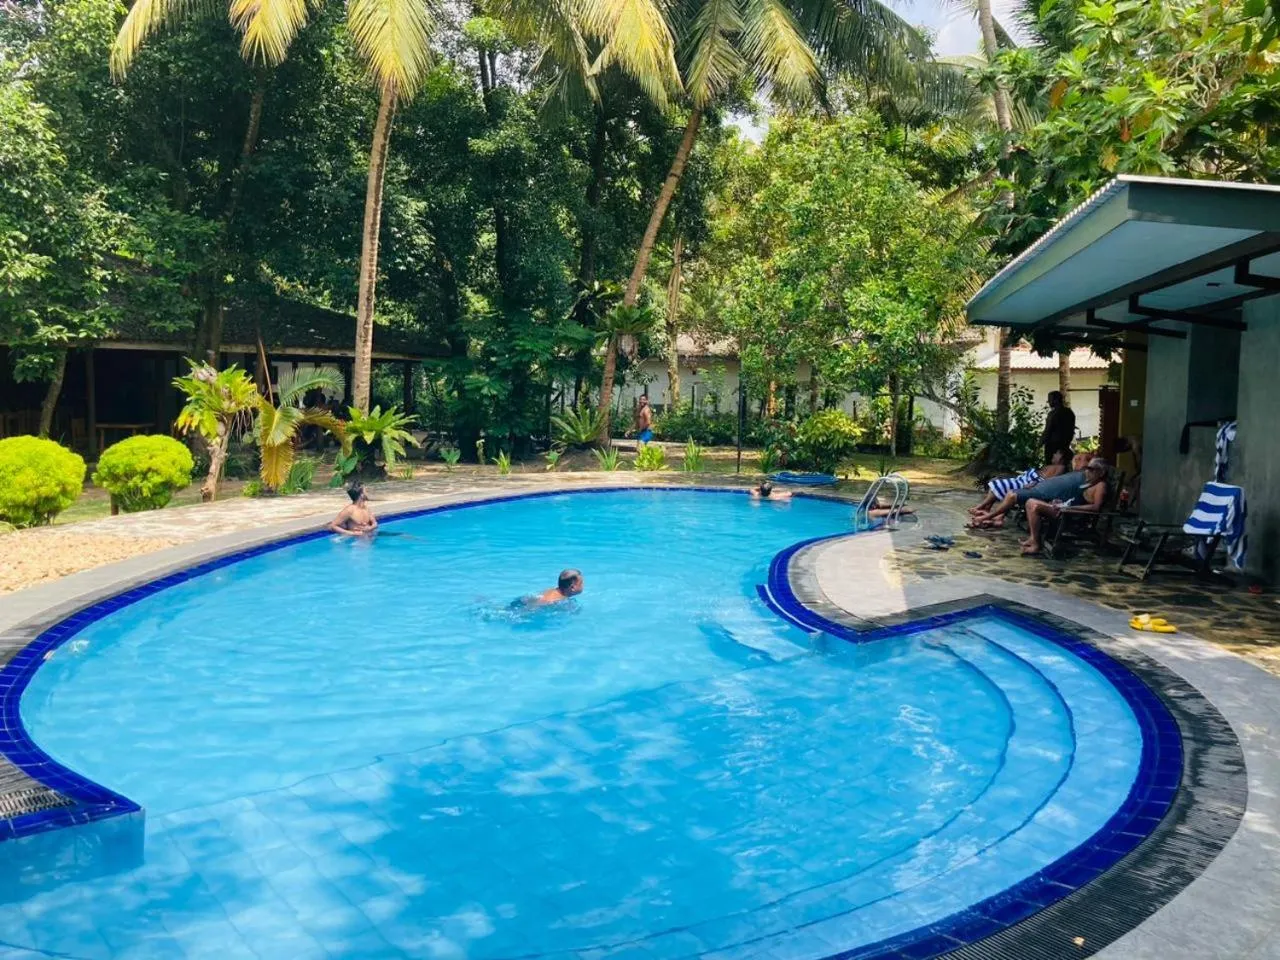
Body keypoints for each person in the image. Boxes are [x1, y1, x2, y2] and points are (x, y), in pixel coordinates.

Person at [971, 453, 1091, 528]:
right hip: (1040, 490)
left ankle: (988, 517)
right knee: (1013, 493)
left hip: (1043, 494)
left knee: (1013, 494)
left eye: (1081, 459)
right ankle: (997, 518)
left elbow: (1093, 504)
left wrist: (1065, 505)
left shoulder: (1087, 478)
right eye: (1076, 458)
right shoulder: (1076, 474)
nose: (1076, 461)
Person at [1022, 458, 1110, 556]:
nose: (1087, 471)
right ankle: (1033, 539)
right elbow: (1075, 499)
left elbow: (1096, 507)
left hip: (1070, 514)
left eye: (1091, 469)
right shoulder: (1089, 483)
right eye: (1087, 468)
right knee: (1029, 502)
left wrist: (1069, 508)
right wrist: (1061, 502)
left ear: (1101, 473)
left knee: (1035, 506)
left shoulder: (1101, 486)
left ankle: (1035, 544)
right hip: (1064, 508)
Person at [969, 448, 1072, 519]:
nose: (1054, 455)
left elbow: (1050, 482)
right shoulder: (1053, 466)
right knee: (997, 483)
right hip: (1026, 479)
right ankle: (986, 508)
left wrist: (1034, 484)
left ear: (1062, 456)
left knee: (999, 485)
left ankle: (982, 507)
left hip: (1031, 483)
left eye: (1057, 453)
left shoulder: (1061, 468)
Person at [1042, 391, 1077, 465]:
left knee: (1051, 467)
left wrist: (1040, 442)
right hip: (1065, 446)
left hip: (1052, 446)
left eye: (1050, 400)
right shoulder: (1069, 412)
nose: (1049, 402)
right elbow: (1071, 430)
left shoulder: (1053, 414)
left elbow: (1048, 431)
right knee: (1063, 467)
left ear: (1056, 400)